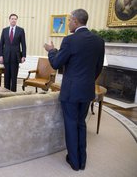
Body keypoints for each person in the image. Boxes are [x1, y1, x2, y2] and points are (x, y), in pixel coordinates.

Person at [44, 9, 105, 171]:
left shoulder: (70, 40)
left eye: (70, 20)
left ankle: (74, 161)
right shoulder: (99, 41)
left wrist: (51, 50)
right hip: (86, 90)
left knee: (71, 124)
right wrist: (87, 82)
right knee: (81, 123)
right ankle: (82, 161)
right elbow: (98, 68)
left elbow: (56, 63)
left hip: (71, 91)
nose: (68, 23)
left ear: (76, 21)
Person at [0, 13, 26, 92]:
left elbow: (23, 44)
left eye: (15, 19)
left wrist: (23, 56)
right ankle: (5, 92)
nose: (13, 20)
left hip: (16, 56)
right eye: (12, 19)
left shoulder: (21, 30)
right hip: (6, 56)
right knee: (6, 76)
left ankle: (13, 93)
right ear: (9, 20)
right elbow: (1, 44)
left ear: (16, 20)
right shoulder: (4, 30)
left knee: (14, 76)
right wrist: (1, 55)